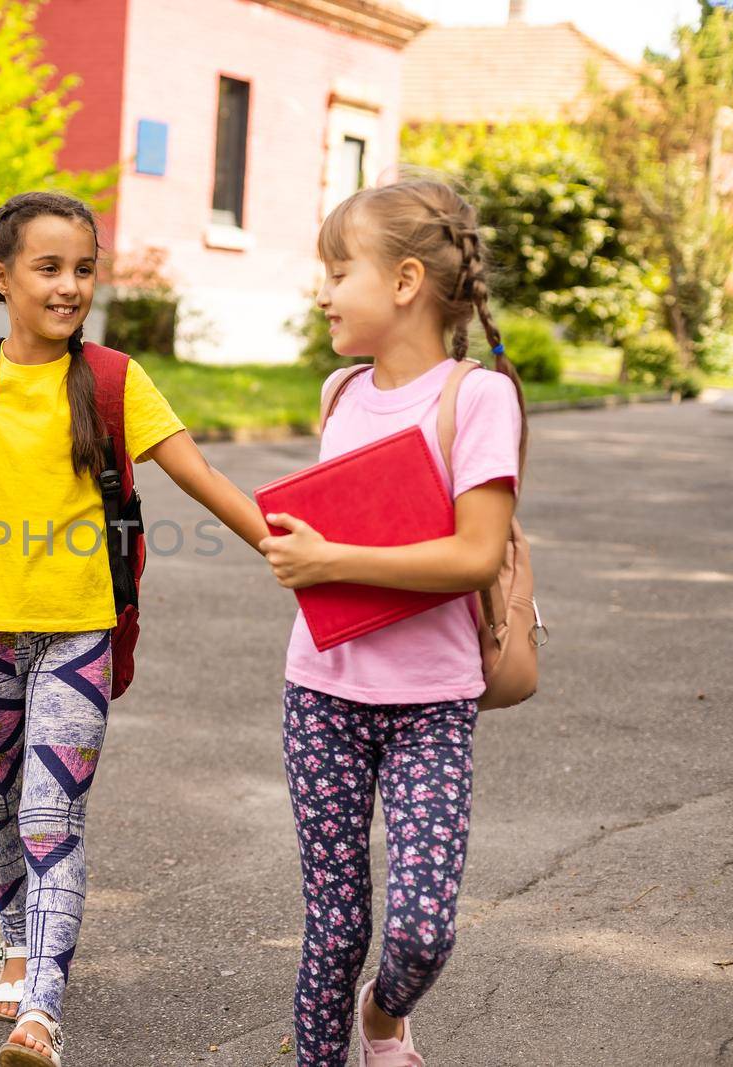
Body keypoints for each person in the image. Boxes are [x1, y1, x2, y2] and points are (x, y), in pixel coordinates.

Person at [0, 190, 270, 1067]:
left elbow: (199, 473)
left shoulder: (111, 380)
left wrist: (286, 546)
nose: (70, 287)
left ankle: (41, 1013)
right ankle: (17, 944)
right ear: (2, 277)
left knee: (50, 813)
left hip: (78, 631)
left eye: (84, 270)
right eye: (49, 268)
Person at [256, 177, 528, 1067]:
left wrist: (331, 560)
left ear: (405, 280)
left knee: (420, 930)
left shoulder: (477, 398)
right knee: (333, 930)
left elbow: (475, 555)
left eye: (339, 269)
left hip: (430, 705)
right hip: (322, 694)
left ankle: (387, 1013)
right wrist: (308, 555)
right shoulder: (338, 394)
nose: (323, 290)